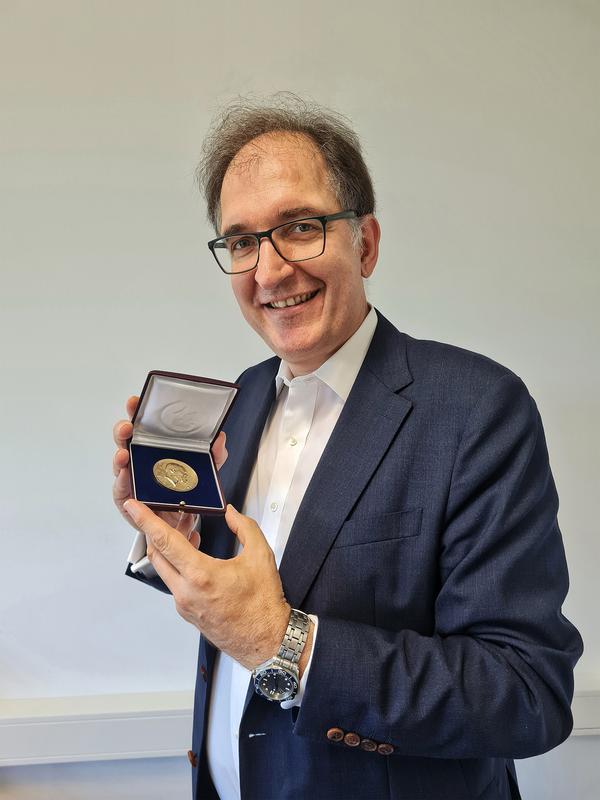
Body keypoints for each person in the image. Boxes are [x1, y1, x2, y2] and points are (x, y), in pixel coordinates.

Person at [112, 96, 583, 800]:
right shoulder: (240, 400)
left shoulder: (477, 409)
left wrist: (283, 642)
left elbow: (523, 693)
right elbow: (241, 592)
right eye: (242, 241)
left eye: (299, 227)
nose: (268, 271)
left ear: (365, 243)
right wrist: (175, 539)